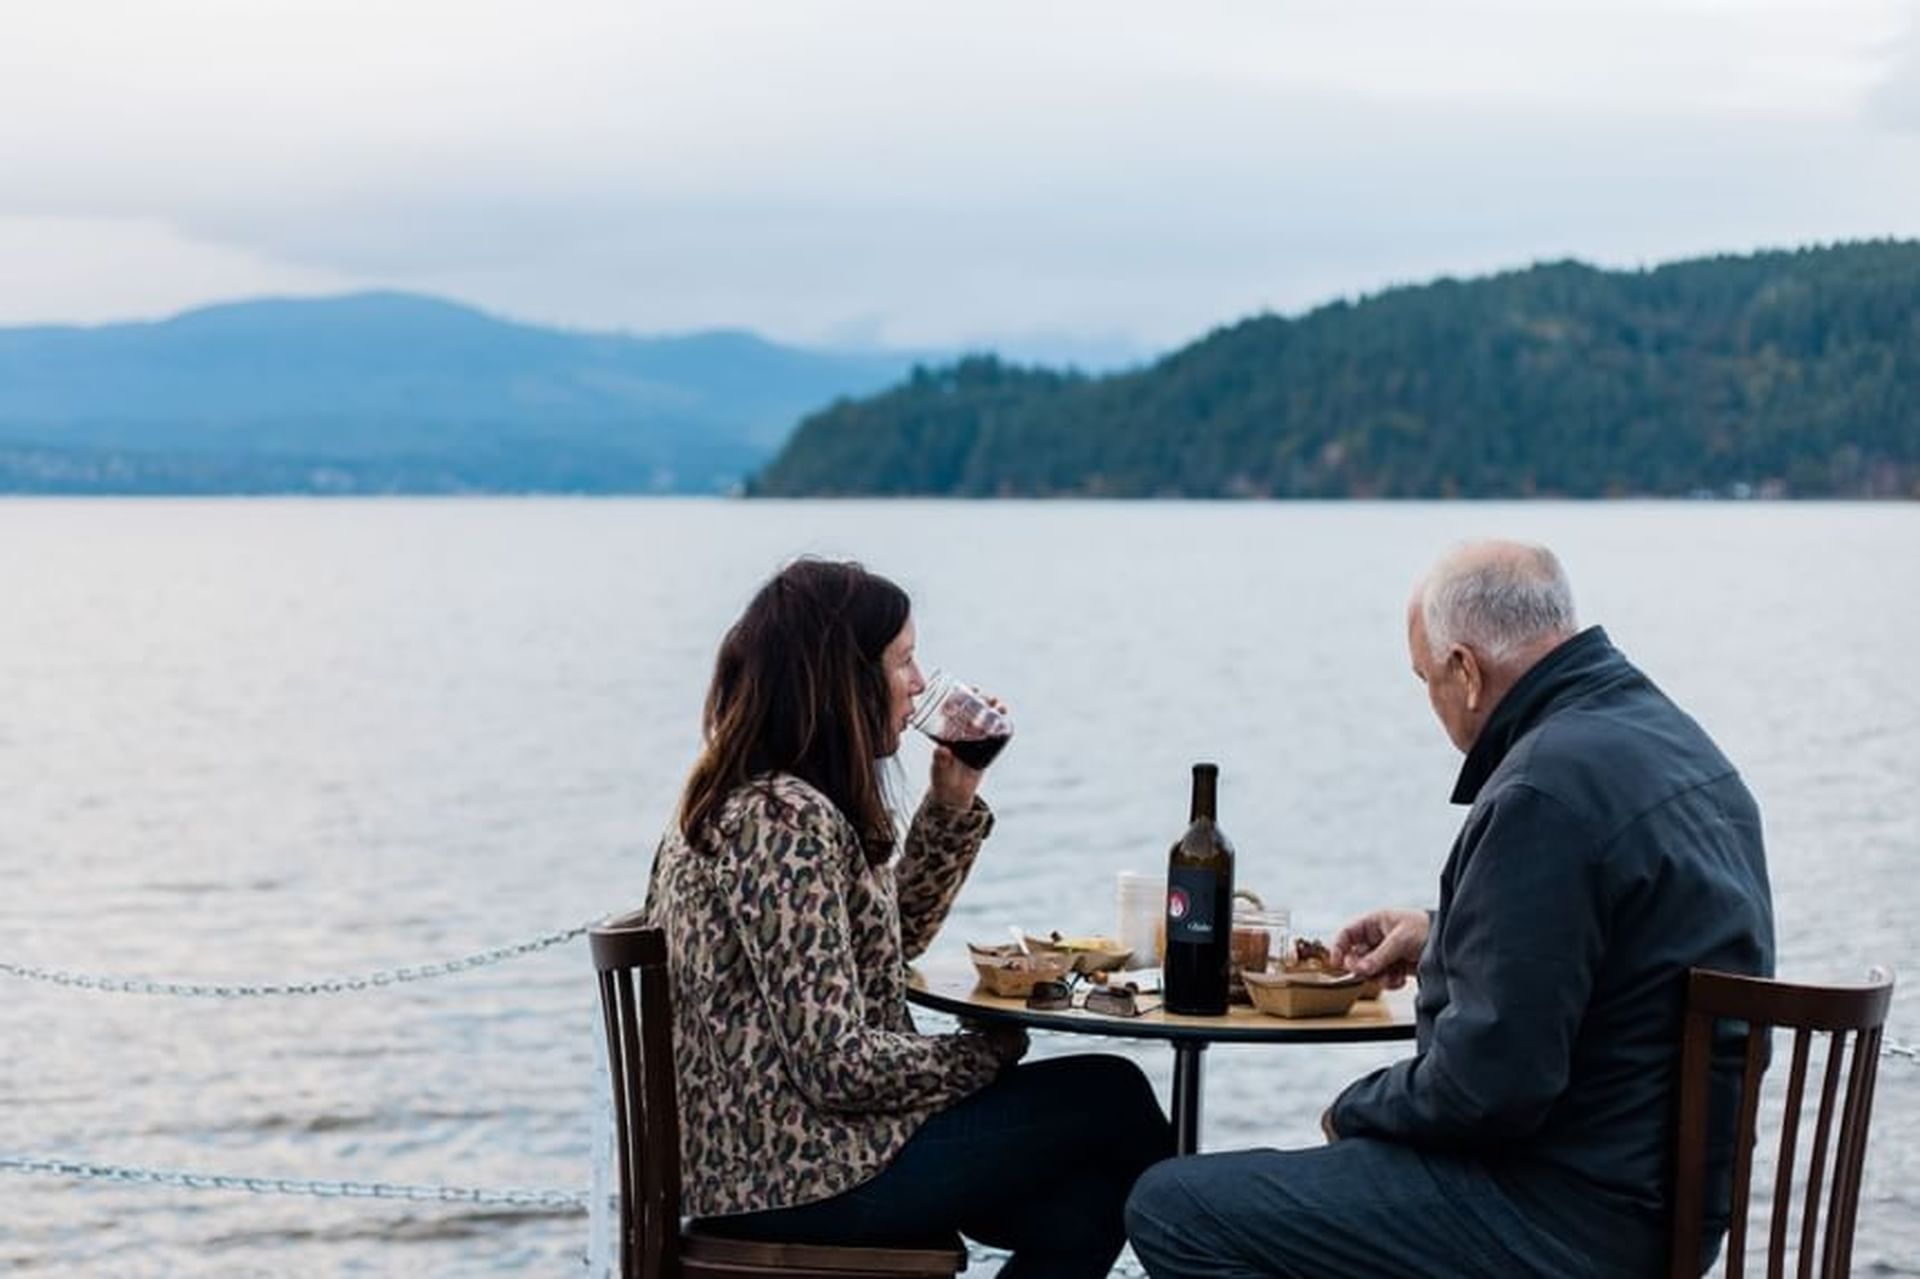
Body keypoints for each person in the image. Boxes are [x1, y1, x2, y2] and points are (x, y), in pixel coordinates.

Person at [1127, 540, 1775, 1278]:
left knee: (1175, 1205)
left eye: (1425, 678)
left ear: (1466, 671)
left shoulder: (1543, 790)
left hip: (1567, 1220)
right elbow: (1623, 948)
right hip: (1670, 1217)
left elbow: (1488, 1091)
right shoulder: (1680, 746)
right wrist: (1444, 935)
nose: (1430, 699)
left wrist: (1353, 1108)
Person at [643, 558, 1172, 1278]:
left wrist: (952, 796)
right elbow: (836, 1065)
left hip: (783, 1158)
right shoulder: (780, 819)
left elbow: (883, 947)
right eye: (903, 660)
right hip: (798, 1172)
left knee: (1084, 1205)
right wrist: (987, 1052)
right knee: (1113, 1095)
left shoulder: (764, 796)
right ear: (841, 679)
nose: (921, 683)